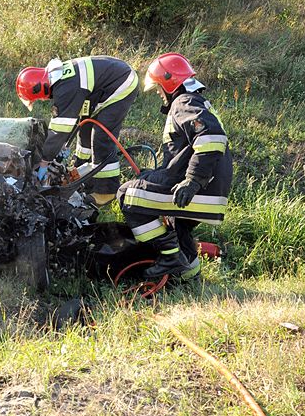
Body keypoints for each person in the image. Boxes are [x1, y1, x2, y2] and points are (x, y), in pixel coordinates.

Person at [116, 53, 233, 281]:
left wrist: (192, 181)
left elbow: (211, 138)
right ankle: (189, 279)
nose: (159, 94)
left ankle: (169, 257)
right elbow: (184, 155)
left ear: (169, 83)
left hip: (199, 191)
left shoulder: (184, 103)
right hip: (212, 192)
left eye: (159, 88)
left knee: (127, 195)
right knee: (178, 226)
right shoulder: (194, 102)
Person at [15, 56, 139, 205]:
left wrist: (44, 161)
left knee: (101, 136)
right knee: (85, 129)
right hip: (100, 89)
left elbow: (59, 129)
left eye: (38, 98)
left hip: (121, 83)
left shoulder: (65, 88)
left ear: (39, 88)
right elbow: (70, 122)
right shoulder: (61, 79)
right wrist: (62, 147)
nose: (42, 100)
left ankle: (107, 191)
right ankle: (84, 172)